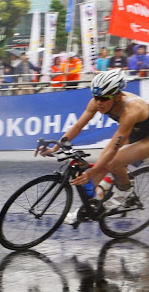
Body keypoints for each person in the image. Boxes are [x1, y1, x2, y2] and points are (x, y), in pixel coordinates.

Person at [39, 69, 149, 224]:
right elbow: (78, 126)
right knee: (102, 163)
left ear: (118, 96)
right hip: (135, 131)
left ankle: (125, 190)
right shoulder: (98, 102)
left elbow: (114, 148)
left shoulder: (131, 110)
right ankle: (91, 205)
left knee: (112, 161)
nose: (98, 102)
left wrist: (92, 172)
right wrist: (55, 148)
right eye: (96, 97)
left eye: (103, 98)